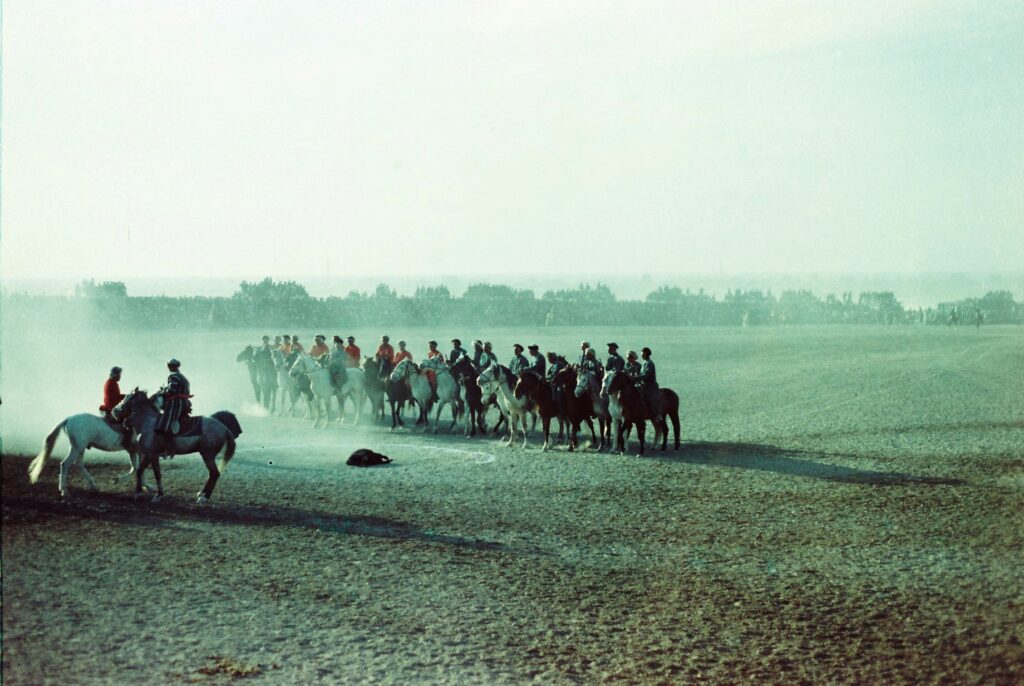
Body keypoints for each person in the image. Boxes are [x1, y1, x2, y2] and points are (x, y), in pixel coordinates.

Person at [156, 359, 192, 437]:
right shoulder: (183, 377)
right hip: (185, 402)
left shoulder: (173, 376)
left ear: (171, 367)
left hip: (176, 403)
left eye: (169, 366)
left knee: (166, 421)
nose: (169, 368)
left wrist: (161, 393)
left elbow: (171, 391)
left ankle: (167, 442)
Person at [638, 347, 660, 417]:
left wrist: (635, 378)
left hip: (649, 385)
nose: (641, 355)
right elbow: (641, 374)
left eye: (642, 354)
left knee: (650, 398)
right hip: (643, 384)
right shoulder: (644, 363)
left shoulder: (649, 364)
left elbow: (645, 375)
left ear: (646, 355)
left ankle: (656, 414)